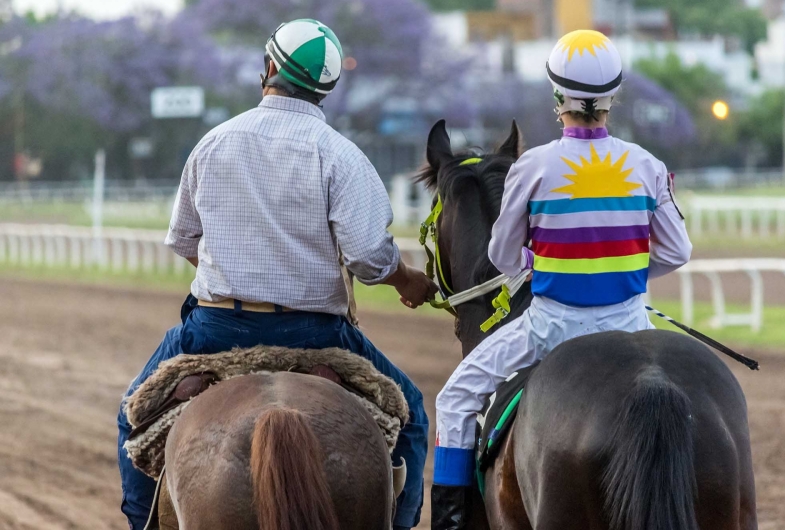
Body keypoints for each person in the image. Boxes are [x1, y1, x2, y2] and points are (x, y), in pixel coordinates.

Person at [116, 19, 438, 530]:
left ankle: (139, 523)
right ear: (326, 88)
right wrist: (410, 283)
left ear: (269, 67)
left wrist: (237, 272)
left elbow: (184, 240)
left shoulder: (213, 143)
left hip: (214, 331)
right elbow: (370, 260)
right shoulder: (341, 155)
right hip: (318, 334)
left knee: (132, 411)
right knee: (413, 413)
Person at [430, 29, 692, 529]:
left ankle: (451, 523)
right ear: (613, 97)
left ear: (557, 97)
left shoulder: (532, 167)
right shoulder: (647, 166)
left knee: (455, 398)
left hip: (550, 327)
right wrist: (631, 269)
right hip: (634, 324)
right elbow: (678, 250)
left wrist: (536, 263)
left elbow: (502, 255)